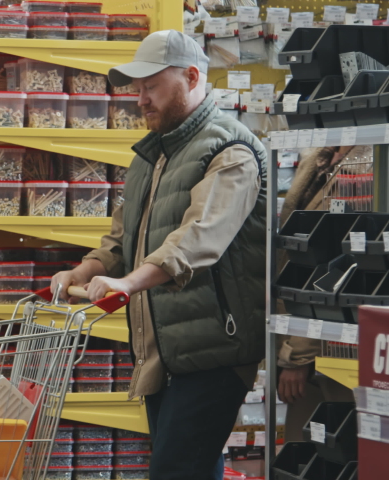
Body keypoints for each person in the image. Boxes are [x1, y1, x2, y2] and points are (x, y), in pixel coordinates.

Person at [51, 30, 266, 480]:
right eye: (136, 88)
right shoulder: (152, 156)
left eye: (150, 86)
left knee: (174, 471)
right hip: (163, 350)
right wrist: (85, 269)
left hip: (215, 350)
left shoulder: (232, 150)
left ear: (191, 77)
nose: (140, 99)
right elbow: (120, 241)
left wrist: (127, 283)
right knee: (190, 468)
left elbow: (198, 239)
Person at [276, 145, 363, 439]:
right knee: (307, 452)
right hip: (305, 334)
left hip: (337, 347)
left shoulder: (370, 165)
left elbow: (339, 267)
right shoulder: (318, 160)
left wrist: (298, 353)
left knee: (336, 449)